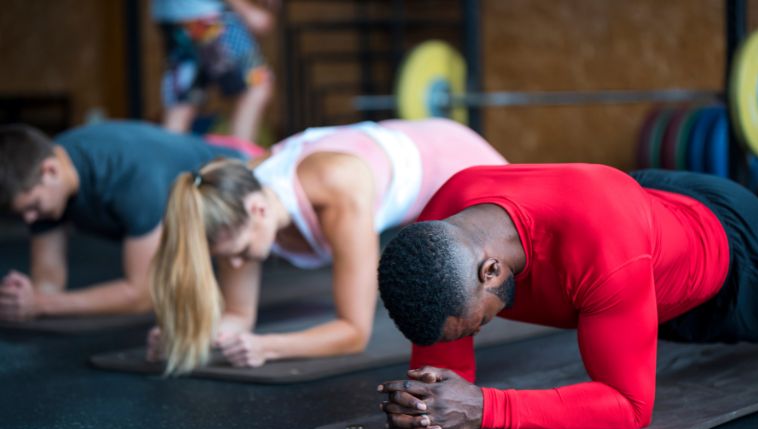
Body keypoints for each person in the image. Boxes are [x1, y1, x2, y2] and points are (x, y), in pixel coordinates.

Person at [376, 164, 758, 429]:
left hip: (732, 255)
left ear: (491, 271)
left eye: (474, 325)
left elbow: (629, 405)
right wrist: (421, 410)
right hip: (642, 204)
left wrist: (486, 407)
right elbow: (444, 374)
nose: (474, 332)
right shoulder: (437, 242)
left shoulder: (605, 249)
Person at [149, 118, 507, 375]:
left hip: (458, 162)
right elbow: (240, 317)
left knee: (520, 269)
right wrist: (186, 334)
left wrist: (268, 347)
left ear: (258, 210)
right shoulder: (231, 201)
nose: (238, 265)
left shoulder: (336, 187)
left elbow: (354, 331)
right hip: (413, 142)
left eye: (241, 253)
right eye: (228, 257)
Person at [0, 121, 261, 321]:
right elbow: (49, 284)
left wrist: (42, 303)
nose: (29, 219)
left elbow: (142, 294)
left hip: (247, 168)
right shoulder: (41, 173)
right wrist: (23, 297)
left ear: (51, 171)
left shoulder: (129, 176)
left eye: (33, 207)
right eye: (22, 212)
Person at [152, 0, 276, 142]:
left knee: (183, 100)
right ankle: (240, 159)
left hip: (173, 17)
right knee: (258, 83)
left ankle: (168, 159)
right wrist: (247, 11)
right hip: (207, 17)